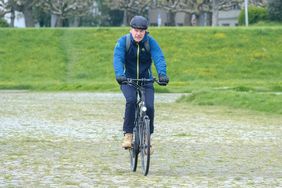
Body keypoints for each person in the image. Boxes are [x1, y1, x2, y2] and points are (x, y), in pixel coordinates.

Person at [113, 15, 169, 149]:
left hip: (146, 80)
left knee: (149, 107)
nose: (138, 33)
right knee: (131, 101)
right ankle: (128, 134)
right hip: (128, 80)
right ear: (131, 30)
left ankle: (147, 137)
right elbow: (118, 58)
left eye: (141, 31)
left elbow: (159, 58)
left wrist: (162, 74)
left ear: (145, 31)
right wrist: (120, 75)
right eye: (136, 30)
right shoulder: (123, 42)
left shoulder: (150, 42)